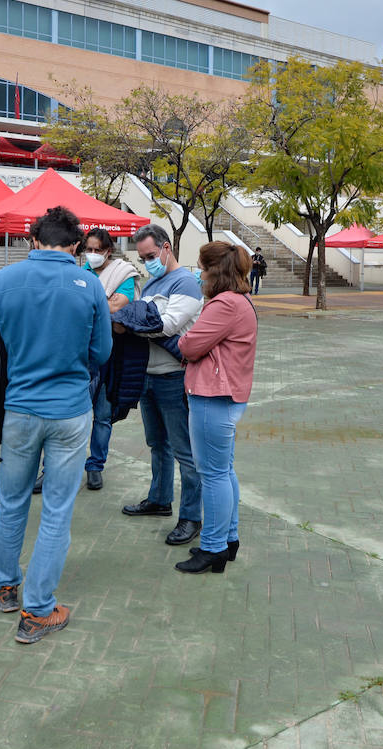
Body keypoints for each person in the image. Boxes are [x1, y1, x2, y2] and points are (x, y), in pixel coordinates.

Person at [0, 206, 111, 644]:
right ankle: (38, 610)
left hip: (19, 409)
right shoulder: (88, 284)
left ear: (33, 240)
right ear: (74, 246)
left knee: (12, 500)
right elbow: (101, 352)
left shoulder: (3, 280)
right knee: (56, 510)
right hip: (70, 411)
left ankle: (4, 584)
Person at [120, 224, 204, 547]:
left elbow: (167, 325)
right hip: (149, 374)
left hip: (173, 376)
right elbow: (145, 319)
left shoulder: (185, 282)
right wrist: (137, 320)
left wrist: (132, 322)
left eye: (151, 255)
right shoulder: (154, 280)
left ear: (166, 248)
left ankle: (191, 517)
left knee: (185, 451)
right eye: (142, 258)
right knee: (158, 444)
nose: (147, 262)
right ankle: (159, 498)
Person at [177, 242, 258, 574]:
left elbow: (189, 344)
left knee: (212, 474)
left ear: (215, 271)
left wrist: (185, 340)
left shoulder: (223, 304)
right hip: (225, 397)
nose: (198, 273)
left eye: (201, 267)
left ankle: (213, 547)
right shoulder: (239, 302)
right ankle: (228, 538)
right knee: (223, 471)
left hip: (213, 397)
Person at [76, 227, 138, 491]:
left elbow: (118, 306)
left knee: (102, 416)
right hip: (81, 355)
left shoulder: (123, 273)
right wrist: (104, 302)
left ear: (108, 251)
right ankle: (57, 468)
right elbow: (103, 306)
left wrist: (91, 303)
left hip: (112, 356)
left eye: (97, 250)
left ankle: (95, 466)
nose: (92, 255)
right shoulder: (81, 273)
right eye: (88, 250)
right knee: (74, 416)